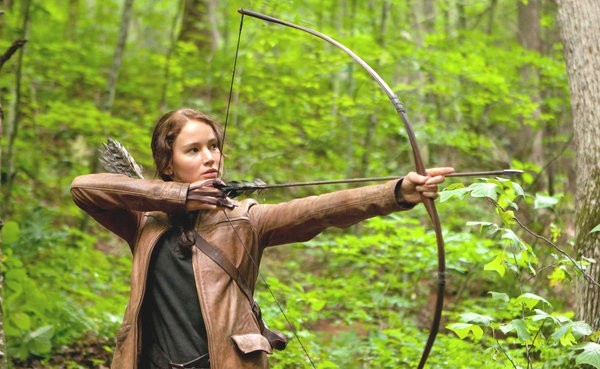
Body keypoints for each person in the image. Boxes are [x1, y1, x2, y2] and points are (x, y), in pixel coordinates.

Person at [71, 108, 454, 369]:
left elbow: (321, 209)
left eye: (214, 146)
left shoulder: (246, 220)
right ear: (167, 163)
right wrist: (178, 197)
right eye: (193, 150)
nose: (210, 157)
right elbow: (83, 188)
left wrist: (397, 192)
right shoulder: (143, 223)